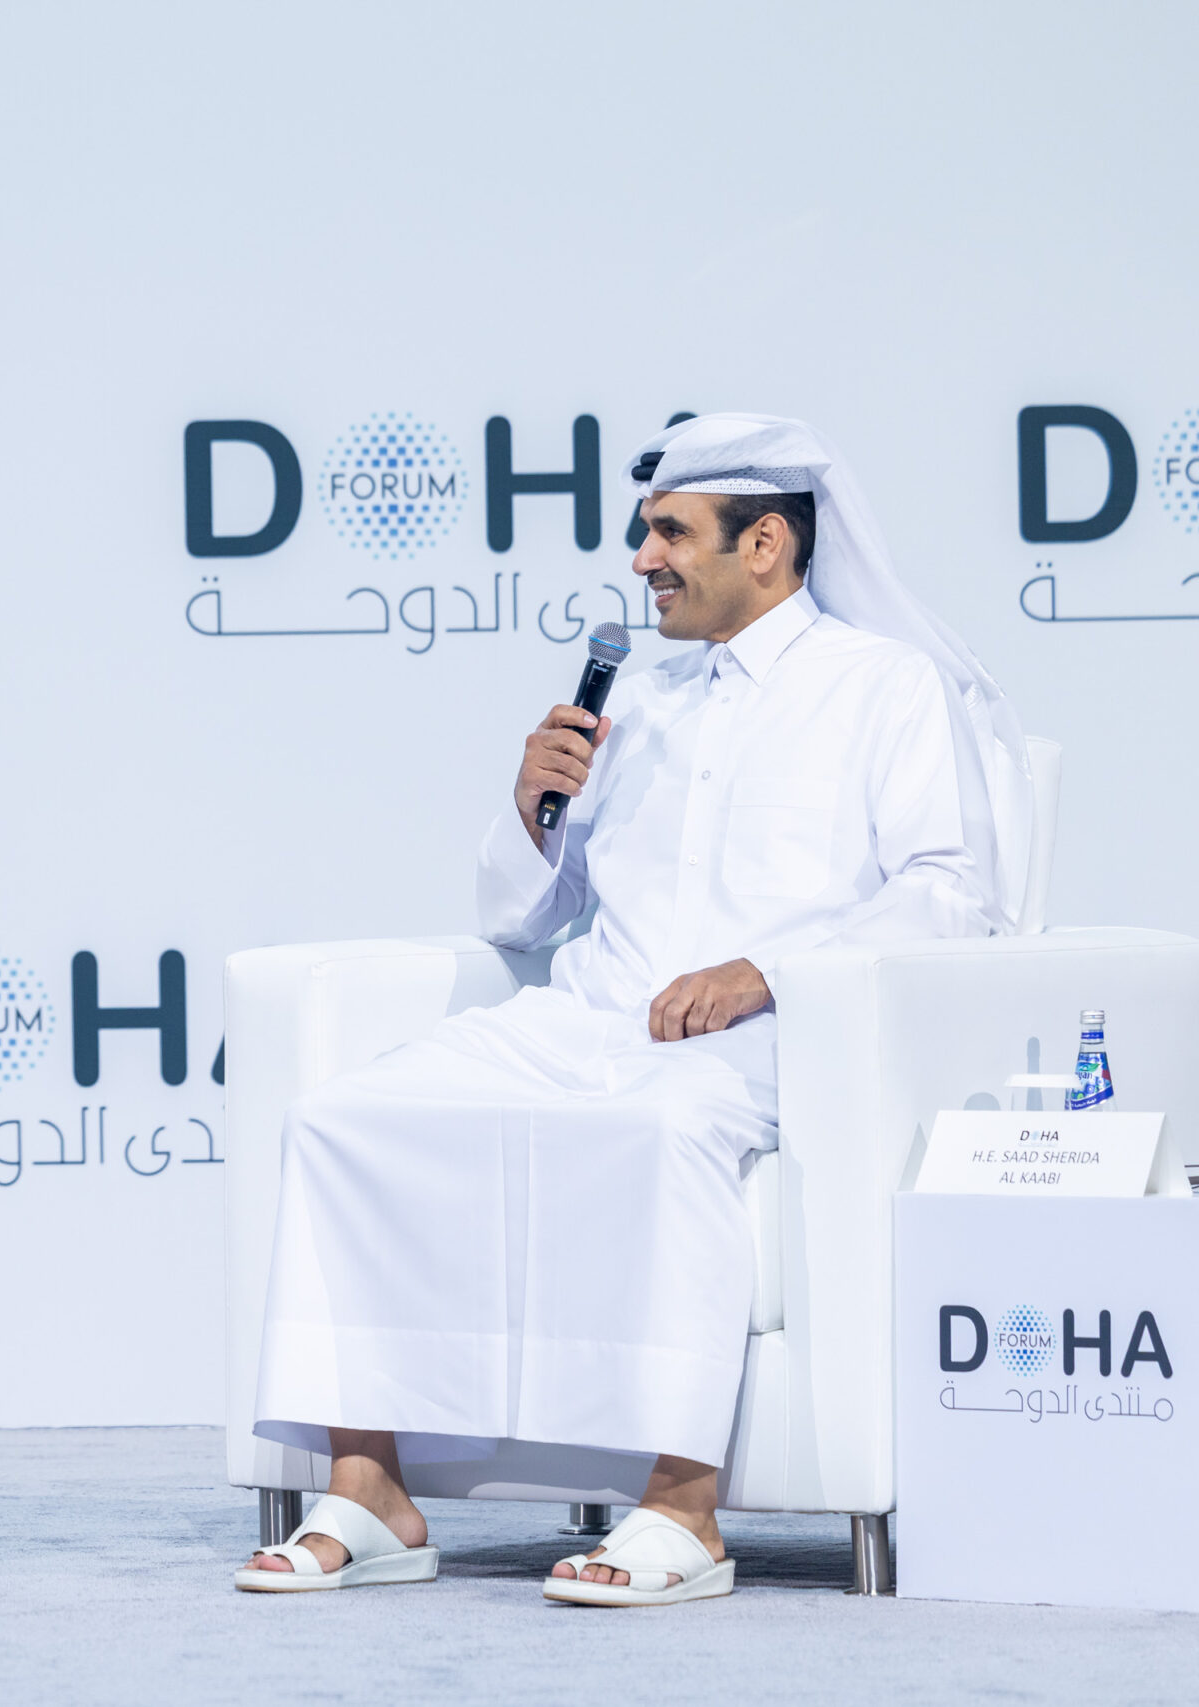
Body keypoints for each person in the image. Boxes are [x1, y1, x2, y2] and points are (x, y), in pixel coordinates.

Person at [235, 414, 1030, 1606]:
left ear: (764, 544)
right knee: (347, 1117)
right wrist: (530, 808)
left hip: (772, 1038)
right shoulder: (641, 704)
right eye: (643, 533)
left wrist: (764, 972)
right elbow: (522, 921)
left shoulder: (881, 686)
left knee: (664, 1129)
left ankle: (683, 1510)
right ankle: (371, 1492)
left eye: (669, 533)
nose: (642, 559)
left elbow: (948, 894)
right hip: (587, 1021)